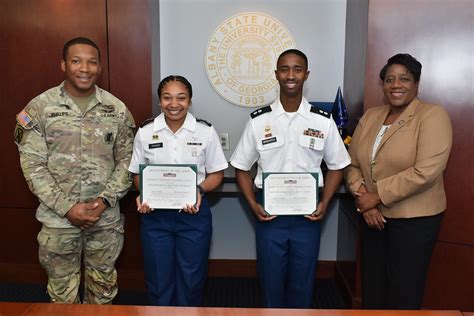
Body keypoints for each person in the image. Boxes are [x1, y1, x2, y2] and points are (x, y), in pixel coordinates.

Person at [14, 37, 136, 304]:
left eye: (92, 62)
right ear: (63, 65)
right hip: (59, 221)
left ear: (100, 67)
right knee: (62, 295)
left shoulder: (116, 109)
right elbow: (33, 166)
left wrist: (104, 201)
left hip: (104, 220)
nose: (85, 68)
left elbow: (128, 160)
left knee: (103, 291)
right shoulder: (39, 108)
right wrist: (68, 207)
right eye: (76, 61)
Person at [230, 49, 351, 308]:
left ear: (306, 74)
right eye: (284, 69)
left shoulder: (323, 121)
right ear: (276, 74)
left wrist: (325, 203)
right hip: (269, 213)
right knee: (270, 279)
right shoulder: (258, 121)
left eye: (297, 69)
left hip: (308, 213)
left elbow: (338, 165)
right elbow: (241, 167)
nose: (291, 75)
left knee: (303, 280)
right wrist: (253, 205)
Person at [345, 53, 453, 309]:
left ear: (416, 84)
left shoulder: (432, 115)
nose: (396, 85)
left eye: (404, 79)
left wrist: (376, 196)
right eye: (390, 79)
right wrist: (365, 200)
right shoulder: (371, 115)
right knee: (373, 289)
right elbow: (351, 163)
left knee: (404, 293)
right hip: (372, 218)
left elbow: (426, 171)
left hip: (414, 221)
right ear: (382, 85)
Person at [128, 75, 228, 306]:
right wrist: (143, 192)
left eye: (181, 98)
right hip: (155, 216)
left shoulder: (205, 132)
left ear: (190, 100)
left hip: (193, 215)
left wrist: (199, 190)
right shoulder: (145, 131)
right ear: (159, 101)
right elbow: (136, 173)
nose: (174, 104)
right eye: (167, 98)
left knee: (191, 279)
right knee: (158, 279)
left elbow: (217, 175)